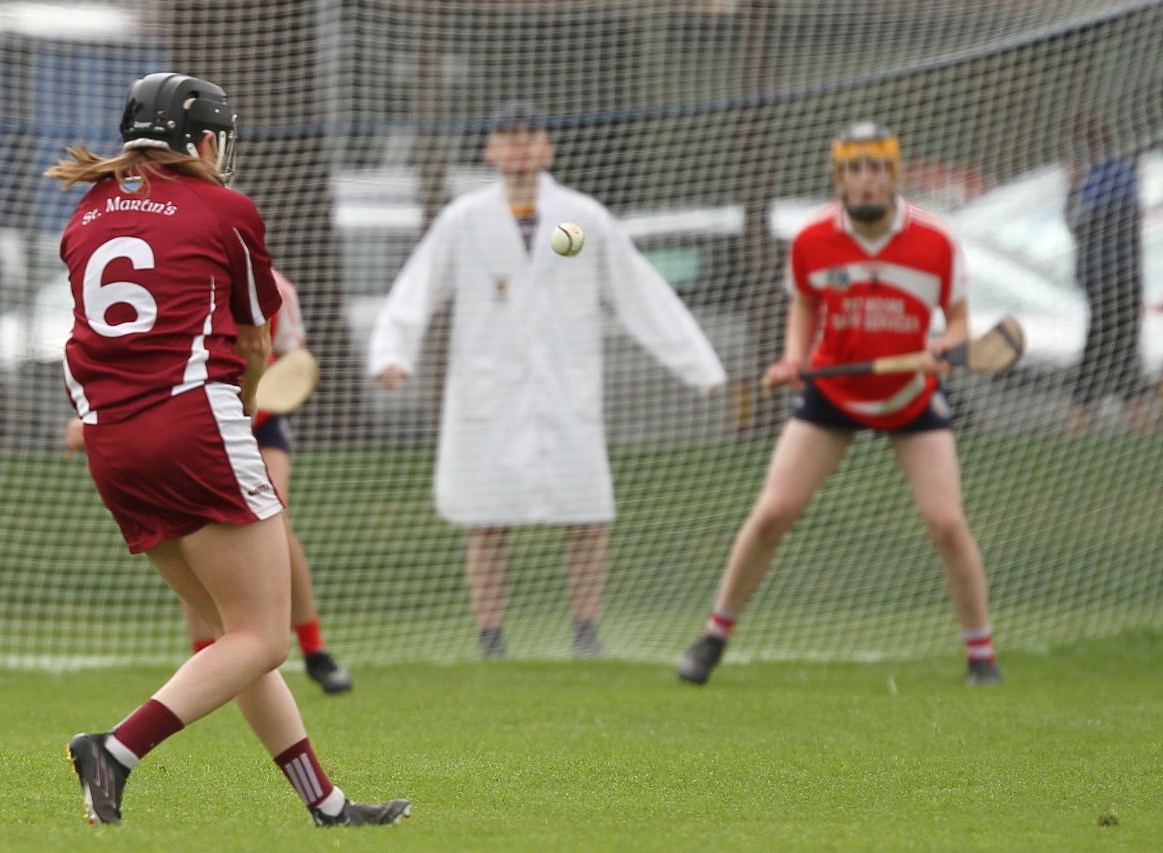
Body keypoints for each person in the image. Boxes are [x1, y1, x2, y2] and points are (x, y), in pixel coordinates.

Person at [47, 72, 407, 827]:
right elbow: (253, 340)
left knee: (229, 635)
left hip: (111, 441)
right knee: (263, 636)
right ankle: (114, 749)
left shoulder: (86, 211)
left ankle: (327, 804)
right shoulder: (225, 208)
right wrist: (243, 406)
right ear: (204, 141)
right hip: (192, 428)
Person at [369, 101, 727, 659]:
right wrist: (392, 353)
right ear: (489, 150)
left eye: (530, 134)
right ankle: (491, 637)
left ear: (548, 146)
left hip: (566, 391)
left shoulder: (582, 218)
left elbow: (640, 293)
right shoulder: (463, 220)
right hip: (488, 394)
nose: (519, 145)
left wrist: (700, 366)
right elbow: (415, 289)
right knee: (485, 520)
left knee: (586, 516)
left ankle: (586, 632)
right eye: (506, 136)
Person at [676, 121, 1002, 688]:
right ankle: (713, 637)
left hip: (909, 395)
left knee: (947, 523)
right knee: (774, 513)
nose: (867, 181)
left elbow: (959, 326)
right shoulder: (812, 240)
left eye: (877, 168)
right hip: (832, 390)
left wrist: (942, 352)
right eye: (855, 169)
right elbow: (804, 302)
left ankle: (981, 656)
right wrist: (792, 357)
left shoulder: (936, 240)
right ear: (840, 177)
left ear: (894, 175)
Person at [63, 268, 353, 695]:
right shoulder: (178, 278)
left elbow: (295, 360)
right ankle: (208, 656)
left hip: (259, 424)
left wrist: (256, 399)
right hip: (195, 425)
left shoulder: (273, 287)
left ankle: (314, 651)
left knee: (276, 525)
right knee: (190, 530)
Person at [1063, 113, 1150, 435]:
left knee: (1108, 339)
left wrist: (1075, 188)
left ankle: (1086, 413)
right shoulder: (1122, 175)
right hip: (1118, 274)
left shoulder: (1103, 179)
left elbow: (1078, 224)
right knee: (1117, 339)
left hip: (1109, 273)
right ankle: (1128, 411)